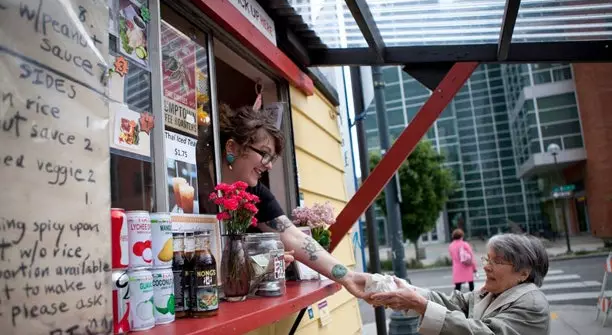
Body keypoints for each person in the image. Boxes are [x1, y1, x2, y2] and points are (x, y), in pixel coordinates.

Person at [212, 104, 371, 298]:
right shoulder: (194, 179)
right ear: (232, 147)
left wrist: (348, 277)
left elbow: (294, 237)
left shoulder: (254, 192)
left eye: (271, 158)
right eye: (264, 153)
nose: (269, 165)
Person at [369, 234, 550, 335]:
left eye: (497, 261)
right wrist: (401, 290)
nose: (486, 267)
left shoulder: (532, 305)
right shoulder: (491, 292)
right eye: (487, 259)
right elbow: (452, 303)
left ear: (524, 273)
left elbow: (486, 332)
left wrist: (419, 304)